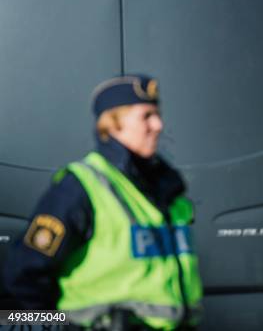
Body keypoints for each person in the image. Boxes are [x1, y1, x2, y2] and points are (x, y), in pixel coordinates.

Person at [3, 75, 202, 330]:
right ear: (113, 125)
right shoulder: (81, 187)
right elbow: (24, 272)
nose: (158, 125)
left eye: (158, 114)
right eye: (146, 116)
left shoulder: (166, 189)